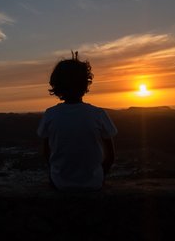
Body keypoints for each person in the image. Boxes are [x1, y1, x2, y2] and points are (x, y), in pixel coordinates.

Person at [37, 52, 117, 191]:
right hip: (94, 184)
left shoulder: (50, 115)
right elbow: (110, 155)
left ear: (56, 85)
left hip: (59, 183)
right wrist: (100, 176)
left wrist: (54, 175)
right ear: (85, 83)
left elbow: (47, 152)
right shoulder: (98, 114)